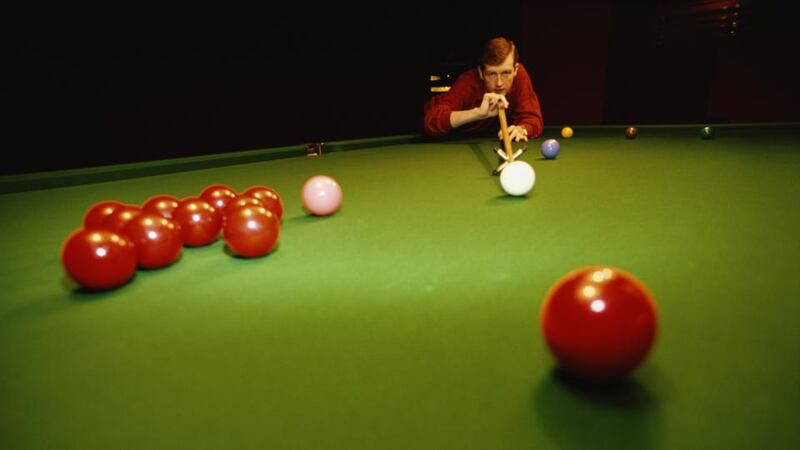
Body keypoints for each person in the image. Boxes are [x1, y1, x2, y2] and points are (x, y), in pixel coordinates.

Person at [423, 37, 543, 143]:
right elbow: (432, 122)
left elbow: (533, 119)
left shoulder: (520, 75)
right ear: (481, 72)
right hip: (450, 135)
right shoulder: (468, 82)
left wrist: (522, 129)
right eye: (492, 74)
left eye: (506, 73)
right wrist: (478, 113)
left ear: (515, 70)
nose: (499, 83)